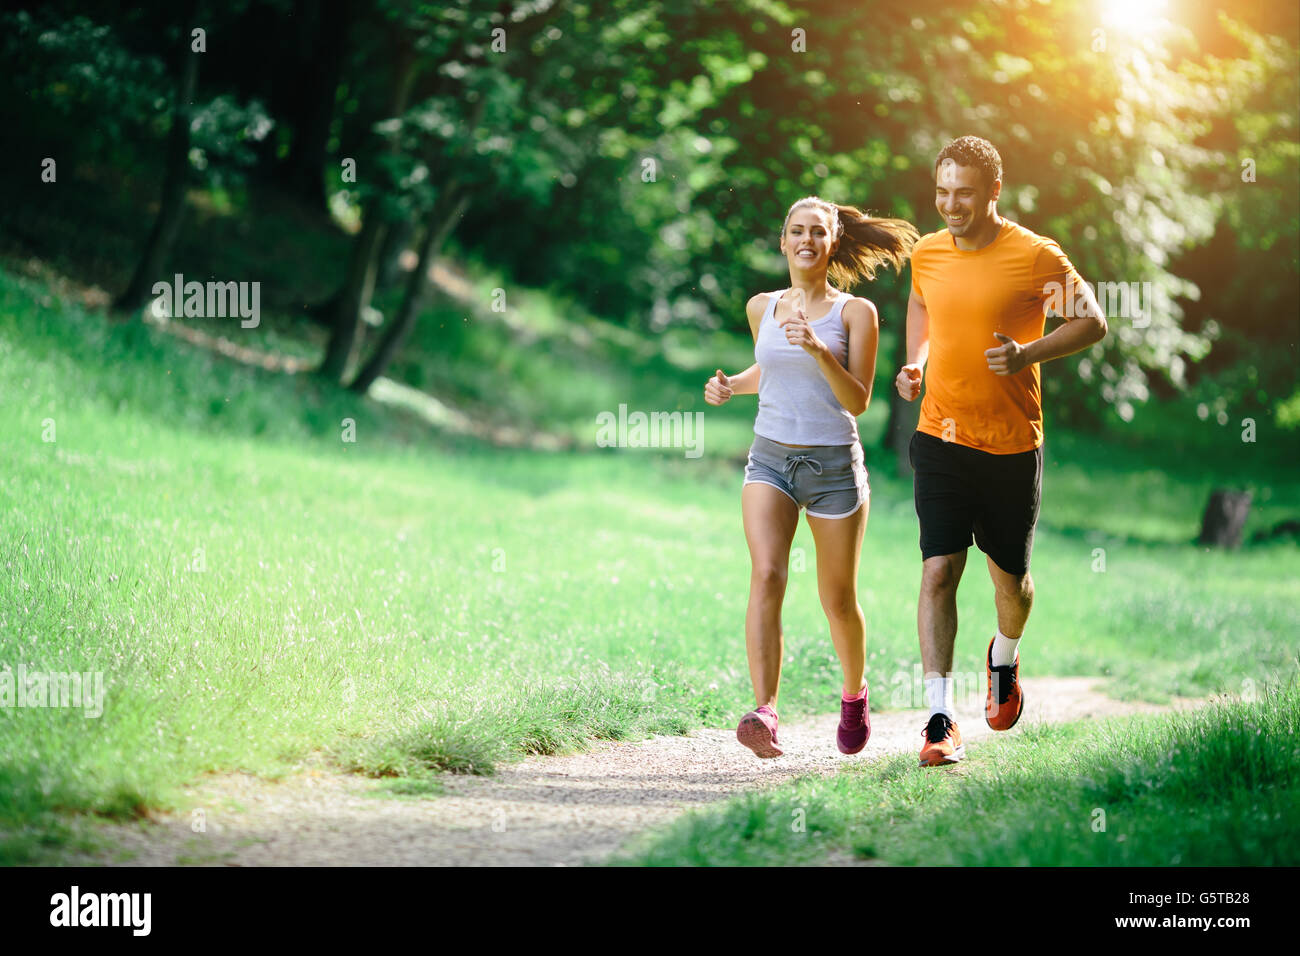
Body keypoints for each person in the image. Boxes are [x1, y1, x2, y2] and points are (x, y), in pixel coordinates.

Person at [896, 136, 1108, 767]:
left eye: (964, 193)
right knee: (938, 571)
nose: (950, 205)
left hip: (1012, 446)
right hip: (940, 437)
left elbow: (1092, 322)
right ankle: (939, 718)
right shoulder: (928, 252)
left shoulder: (1035, 255)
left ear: (994, 190)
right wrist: (916, 361)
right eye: (941, 192)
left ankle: (1005, 658)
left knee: (1010, 583)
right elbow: (920, 304)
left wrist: (1025, 355)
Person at [705, 196, 918, 758]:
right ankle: (765, 712)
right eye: (796, 230)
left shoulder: (856, 314)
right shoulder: (762, 306)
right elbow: (771, 371)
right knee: (768, 573)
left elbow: (860, 399)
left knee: (838, 599)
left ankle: (853, 695)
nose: (806, 240)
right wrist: (732, 386)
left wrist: (822, 348)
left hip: (832, 468)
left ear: (832, 242)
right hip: (770, 458)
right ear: (783, 241)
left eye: (817, 232)